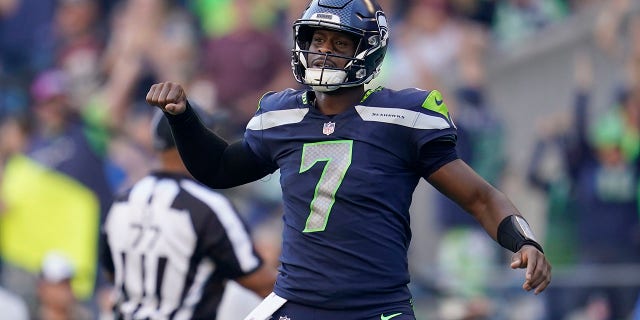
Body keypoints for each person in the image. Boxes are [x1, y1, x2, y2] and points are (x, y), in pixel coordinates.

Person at [146, 0, 552, 319]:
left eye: (340, 43)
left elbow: (480, 197)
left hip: (374, 309)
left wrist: (525, 240)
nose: (324, 52)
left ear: (368, 52)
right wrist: (184, 120)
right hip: (297, 304)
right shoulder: (282, 115)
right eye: (317, 41)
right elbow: (220, 169)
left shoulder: (402, 118)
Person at [99, 108, 277, 319]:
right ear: (194, 140)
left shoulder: (122, 202)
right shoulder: (208, 207)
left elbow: (112, 273)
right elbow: (263, 284)